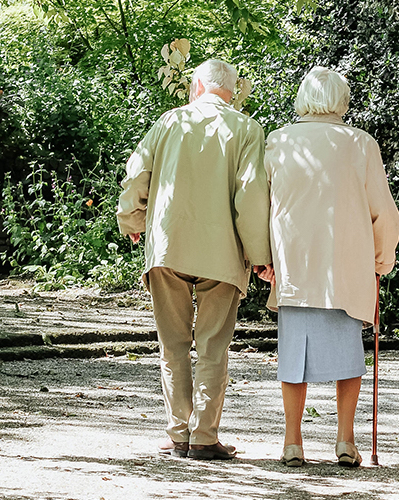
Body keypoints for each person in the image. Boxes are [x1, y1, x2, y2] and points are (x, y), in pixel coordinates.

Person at [116, 59, 273, 461]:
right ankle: (204, 437)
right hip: (222, 253)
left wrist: (131, 219)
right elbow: (251, 196)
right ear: (232, 91)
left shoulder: (168, 122)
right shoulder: (247, 129)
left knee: (172, 345)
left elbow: (137, 176)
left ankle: (178, 434)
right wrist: (260, 256)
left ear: (197, 85)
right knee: (213, 346)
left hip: (169, 246)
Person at [256, 66, 399, 467]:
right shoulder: (360, 144)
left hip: (295, 265)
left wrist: (262, 258)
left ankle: (292, 441)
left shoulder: (278, 141)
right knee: (348, 357)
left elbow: (260, 207)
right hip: (346, 267)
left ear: (304, 98)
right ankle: (345, 440)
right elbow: (384, 212)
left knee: (292, 358)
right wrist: (381, 260)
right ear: (342, 100)